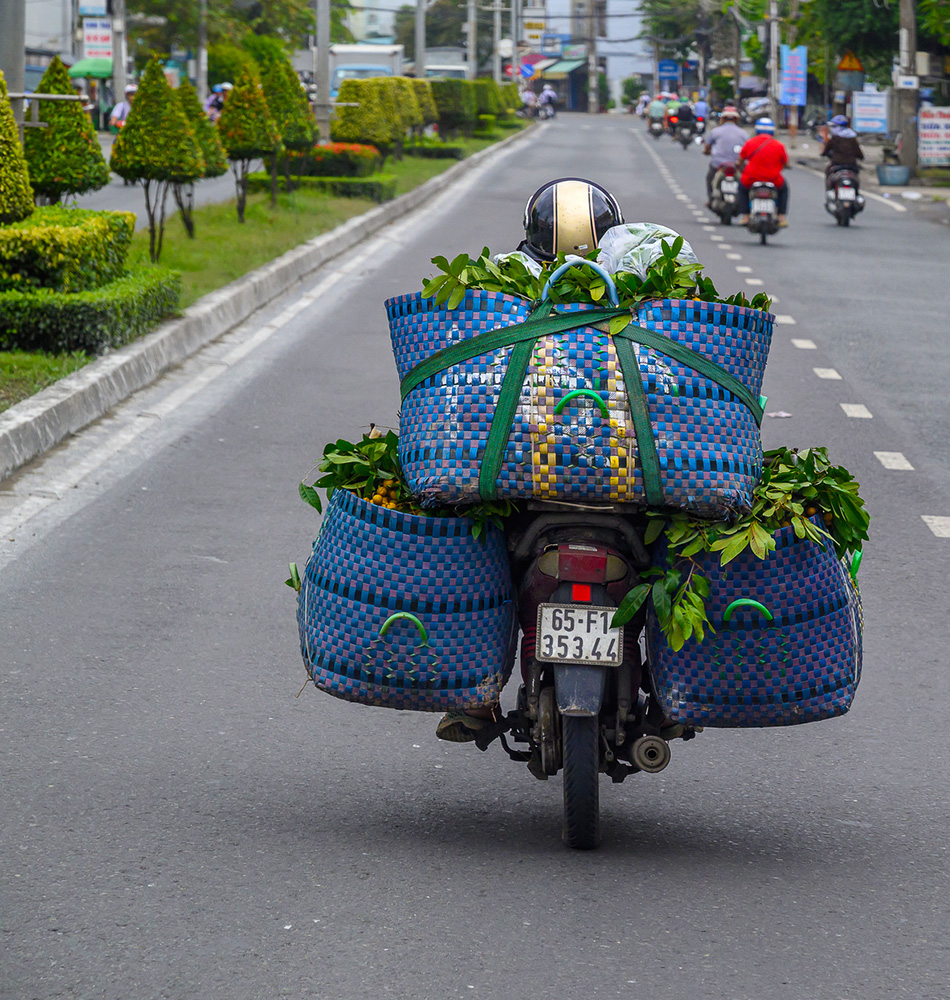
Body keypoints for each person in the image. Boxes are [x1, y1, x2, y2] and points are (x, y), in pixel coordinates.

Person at [736, 117, 790, 226]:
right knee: (784, 190)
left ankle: (745, 216)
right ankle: (781, 217)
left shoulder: (750, 143)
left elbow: (741, 160)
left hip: (751, 178)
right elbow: (785, 163)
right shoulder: (779, 145)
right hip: (773, 179)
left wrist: (739, 165)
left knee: (742, 189)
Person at [703, 105, 747, 204]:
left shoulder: (715, 131)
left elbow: (707, 146)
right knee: (746, 181)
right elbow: (747, 149)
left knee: (710, 178)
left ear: (722, 118)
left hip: (718, 164)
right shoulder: (743, 133)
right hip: (737, 164)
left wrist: (707, 152)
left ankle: (711, 199)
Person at [821, 114, 864, 189]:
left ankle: (830, 190)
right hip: (851, 165)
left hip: (837, 164)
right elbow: (858, 152)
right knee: (856, 177)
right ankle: (856, 193)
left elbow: (826, 150)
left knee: (828, 172)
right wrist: (861, 157)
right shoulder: (852, 138)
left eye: (834, 126)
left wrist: (823, 154)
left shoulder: (835, 138)